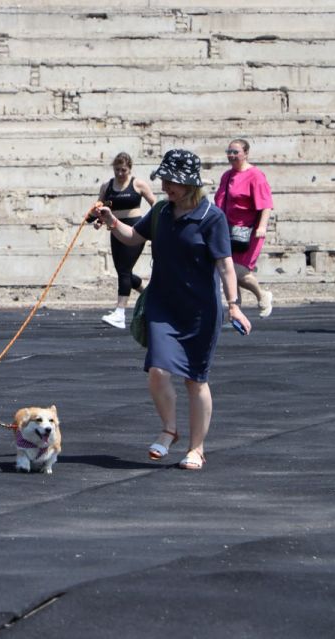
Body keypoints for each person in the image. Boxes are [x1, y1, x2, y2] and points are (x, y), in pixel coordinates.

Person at [93, 149, 251, 471]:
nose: (165, 186)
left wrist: (234, 306)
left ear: (190, 184)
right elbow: (133, 237)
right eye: (163, 180)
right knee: (157, 370)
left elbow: (225, 266)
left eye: (172, 181)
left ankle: (197, 448)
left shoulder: (211, 217)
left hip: (200, 311)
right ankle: (169, 429)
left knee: (195, 380)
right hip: (163, 305)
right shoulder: (161, 211)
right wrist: (112, 221)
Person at [214, 138, 274, 318]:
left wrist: (262, 226)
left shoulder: (255, 175)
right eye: (229, 152)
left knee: (238, 272)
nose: (231, 156)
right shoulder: (227, 175)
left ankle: (262, 295)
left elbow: (266, 205)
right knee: (227, 271)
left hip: (248, 232)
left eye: (236, 152)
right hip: (227, 230)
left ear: (246, 153)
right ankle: (235, 310)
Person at [96, 152, 157, 329]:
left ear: (130, 169)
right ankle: (149, 297)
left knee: (124, 270)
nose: (120, 173)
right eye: (117, 170)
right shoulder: (106, 186)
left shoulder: (138, 184)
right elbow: (99, 207)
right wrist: (98, 220)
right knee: (124, 273)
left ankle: (120, 312)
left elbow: (155, 203)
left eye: (123, 170)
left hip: (135, 229)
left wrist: (152, 224)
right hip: (115, 229)